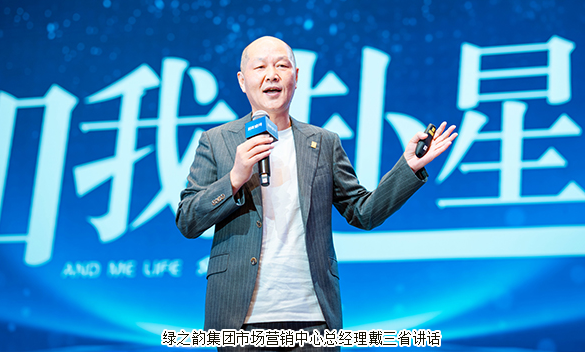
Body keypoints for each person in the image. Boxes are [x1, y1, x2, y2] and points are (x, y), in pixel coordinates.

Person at [176, 36, 457, 350]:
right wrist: (233, 179)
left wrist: (407, 168)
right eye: (260, 67)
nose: (272, 75)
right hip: (238, 319)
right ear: (243, 81)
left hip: (313, 319)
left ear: (296, 77)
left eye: (282, 66)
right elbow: (188, 220)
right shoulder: (217, 141)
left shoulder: (323, 142)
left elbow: (363, 212)